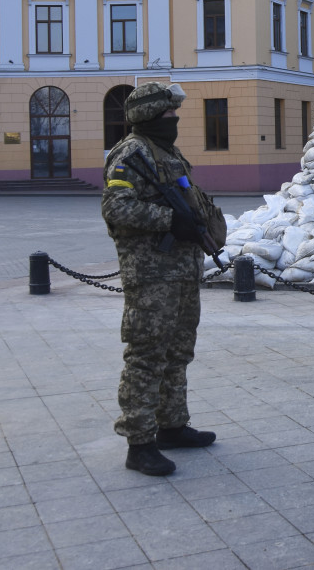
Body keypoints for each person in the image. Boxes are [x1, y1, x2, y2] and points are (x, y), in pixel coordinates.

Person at [102, 81, 218, 475]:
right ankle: (139, 443)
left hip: (182, 271)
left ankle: (172, 425)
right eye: (169, 114)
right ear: (150, 116)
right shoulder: (130, 153)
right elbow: (116, 207)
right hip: (151, 275)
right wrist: (171, 220)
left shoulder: (166, 151)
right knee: (147, 356)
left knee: (178, 352)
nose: (175, 119)